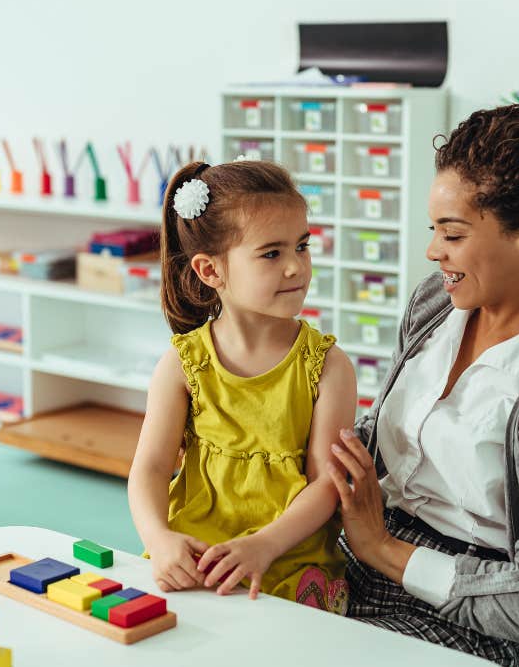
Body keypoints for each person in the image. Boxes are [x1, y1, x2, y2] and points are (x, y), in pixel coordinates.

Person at [327, 89, 519, 666]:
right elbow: (382, 433)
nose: (433, 250)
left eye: (454, 233)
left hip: (470, 610)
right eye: (435, 229)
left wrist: (382, 549)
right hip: (355, 550)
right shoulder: (435, 305)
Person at [129, 159, 355, 612]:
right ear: (210, 271)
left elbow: (326, 484)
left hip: (289, 558)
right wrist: (160, 538)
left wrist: (264, 546)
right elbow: (150, 469)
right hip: (195, 555)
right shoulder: (181, 365)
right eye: (272, 253)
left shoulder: (328, 366)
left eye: (302, 246)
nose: (296, 267)